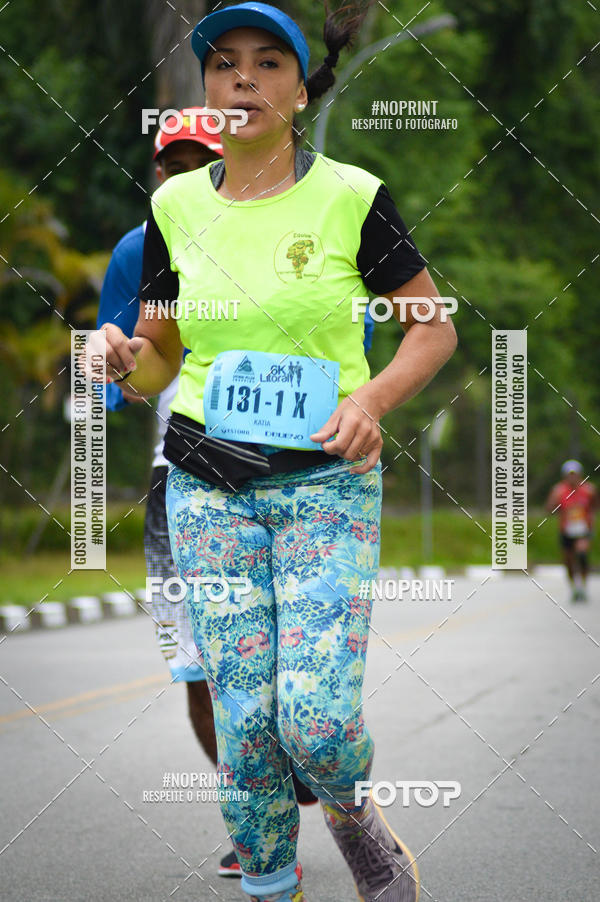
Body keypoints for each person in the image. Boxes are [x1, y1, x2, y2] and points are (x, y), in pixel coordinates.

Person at [95, 3, 457, 900]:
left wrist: (371, 399)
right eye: (224, 64)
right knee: (247, 725)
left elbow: (431, 331)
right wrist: (128, 360)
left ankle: (351, 814)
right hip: (207, 484)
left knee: (317, 722)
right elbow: (164, 353)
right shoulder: (175, 206)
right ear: (208, 87)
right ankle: (271, 883)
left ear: (301, 87)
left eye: (267, 63)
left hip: (325, 485)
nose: (243, 79)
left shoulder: (353, 198)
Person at [97, 111, 314, 879]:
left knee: (293, 657)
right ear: (157, 174)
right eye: (170, 162)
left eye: (201, 159)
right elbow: (128, 371)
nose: (183, 173)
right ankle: (254, 816)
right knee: (199, 663)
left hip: (292, 471)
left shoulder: (290, 230)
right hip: (181, 477)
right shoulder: (139, 249)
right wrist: (113, 359)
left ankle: (301, 749)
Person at [545, 460, 596, 601]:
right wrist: (554, 501)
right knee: (568, 560)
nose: (572, 478)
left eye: (575, 475)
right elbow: (549, 510)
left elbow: (595, 507)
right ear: (565, 476)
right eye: (570, 475)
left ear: (580, 475)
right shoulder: (559, 490)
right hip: (566, 530)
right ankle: (574, 587)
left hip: (583, 529)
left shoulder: (589, 490)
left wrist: (590, 521)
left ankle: (583, 587)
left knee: (582, 554)